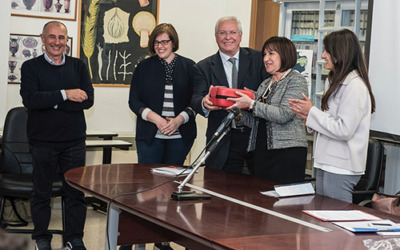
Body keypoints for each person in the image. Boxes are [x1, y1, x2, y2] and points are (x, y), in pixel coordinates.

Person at [20, 21, 94, 250]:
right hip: (42, 143)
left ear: (66, 40)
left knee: (75, 194)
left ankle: (75, 238)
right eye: (51, 37)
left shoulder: (79, 66)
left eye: (61, 38)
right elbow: (30, 100)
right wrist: (66, 94)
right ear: (42, 38)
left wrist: (50, 102)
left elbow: (88, 100)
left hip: (74, 142)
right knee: (41, 193)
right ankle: (41, 238)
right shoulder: (30, 67)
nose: (56, 42)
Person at [127, 23, 195, 250]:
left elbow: (196, 100)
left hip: (179, 136)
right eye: (156, 42)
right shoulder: (144, 67)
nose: (160, 46)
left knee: (171, 189)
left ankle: (162, 238)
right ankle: (139, 238)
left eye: (165, 41)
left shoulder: (189, 66)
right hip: (150, 134)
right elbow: (134, 100)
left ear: (173, 42)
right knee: (146, 189)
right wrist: (156, 119)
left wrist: (178, 120)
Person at [289, 29, 376, 203]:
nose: (322, 55)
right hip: (327, 162)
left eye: (326, 51)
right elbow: (330, 120)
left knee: (335, 220)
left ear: (339, 53)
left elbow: (344, 129)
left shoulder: (355, 86)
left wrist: (312, 112)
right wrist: (309, 116)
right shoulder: (334, 81)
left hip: (341, 166)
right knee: (323, 218)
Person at [190, 16, 269, 173]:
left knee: (257, 192)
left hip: (254, 138)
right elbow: (195, 99)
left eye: (232, 32)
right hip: (222, 141)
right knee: (220, 191)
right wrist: (204, 103)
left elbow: (268, 92)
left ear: (240, 35)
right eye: (222, 33)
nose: (228, 37)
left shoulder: (259, 59)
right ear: (216, 37)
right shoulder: (203, 67)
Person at [227, 36, 308, 184]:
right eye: (264, 54)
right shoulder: (265, 84)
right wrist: (237, 111)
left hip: (286, 152)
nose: (266, 59)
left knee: (282, 203)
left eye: (271, 53)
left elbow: (284, 114)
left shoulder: (296, 80)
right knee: (261, 198)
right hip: (261, 151)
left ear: (285, 54)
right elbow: (258, 122)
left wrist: (252, 104)